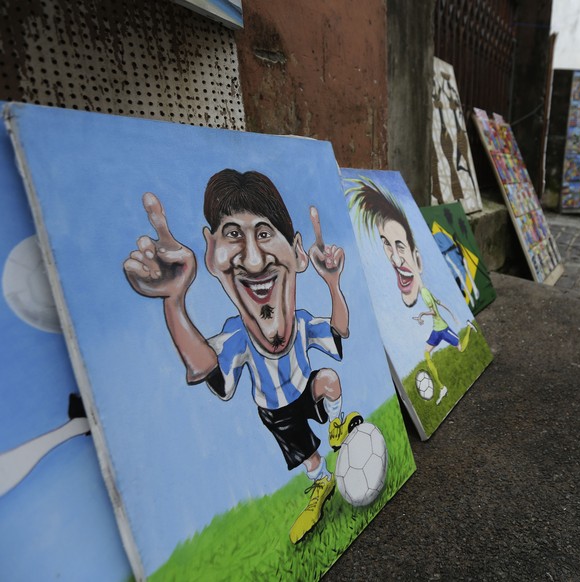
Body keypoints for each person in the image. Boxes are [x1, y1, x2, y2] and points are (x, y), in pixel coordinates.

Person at [123, 169, 361, 544]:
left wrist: (333, 284)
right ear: (211, 255)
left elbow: (339, 332)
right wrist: (174, 303)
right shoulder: (238, 337)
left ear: (298, 253)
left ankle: (337, 424)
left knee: (329, 379)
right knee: (309, 460)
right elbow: (210, 370)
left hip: (305, 388)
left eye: (264, 233)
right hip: (275, 410)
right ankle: (322, 484)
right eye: (233, 235)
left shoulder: (299, 323)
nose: (252, 260)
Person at [346, 176, 474, 405]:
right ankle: (442, 387)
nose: (394, 258)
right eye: (386, 243)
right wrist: (423, 315)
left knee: (461, 349)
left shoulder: (425, 293)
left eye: (400, 246)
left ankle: (469, 331)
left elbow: (438, 307)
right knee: (427, 355)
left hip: (442, 327)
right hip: (436, 327)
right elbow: (433, 310)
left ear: (418, 260)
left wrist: (452, 315)